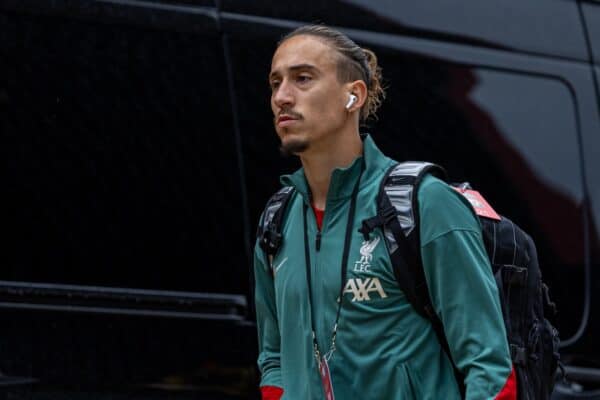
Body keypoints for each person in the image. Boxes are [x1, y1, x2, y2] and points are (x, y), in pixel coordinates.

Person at [254, 24, 516, 399]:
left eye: (303, 78)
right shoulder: (276, 220)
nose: (282, 96)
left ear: (353, 96)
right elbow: (274, 356)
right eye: (275, 82)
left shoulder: (423, 203)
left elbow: (490, 367)